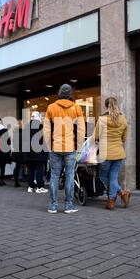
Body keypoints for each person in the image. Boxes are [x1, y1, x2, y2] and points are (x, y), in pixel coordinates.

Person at [44, 84, 85, 214]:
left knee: (54, 176)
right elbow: (81, 129)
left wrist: (48, 146)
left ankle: (53, 206)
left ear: (59, 93)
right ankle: (68, 205)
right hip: (70, 147)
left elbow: (46, 129)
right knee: (69, 176)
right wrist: (79, 147)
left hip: (55, 147)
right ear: (70, 94)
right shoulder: (76, 108)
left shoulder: (51, 107)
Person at [94, 97, 130, 210]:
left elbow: (95, 137)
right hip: (119, 153)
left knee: (102, 176)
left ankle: (118, 196)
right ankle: (117, 196)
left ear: (106, 106)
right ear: (116, 105)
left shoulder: (102, 119)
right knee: (113, 177)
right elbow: (124, 138)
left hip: (106, 154)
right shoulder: (123, 119)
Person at [25, 111, 48, 193]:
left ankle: (30, 187)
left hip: (28, 153)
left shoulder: (27, 127)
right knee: (39, 169)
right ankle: (39, 187)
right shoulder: (41, 127)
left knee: (30, 169)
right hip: (39, 153)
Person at [0, 119, 11, 186]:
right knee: (3, 166)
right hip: (4, 150)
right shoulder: (5, 130)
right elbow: (8, 141)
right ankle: (2, 180)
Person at [11, 120, 25, 188]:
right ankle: (30, 182)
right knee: (29, 166)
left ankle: (16, 181)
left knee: (17, 166)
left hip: (16, 151)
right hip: (22, 151)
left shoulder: (15, 133)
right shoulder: (24, 133)